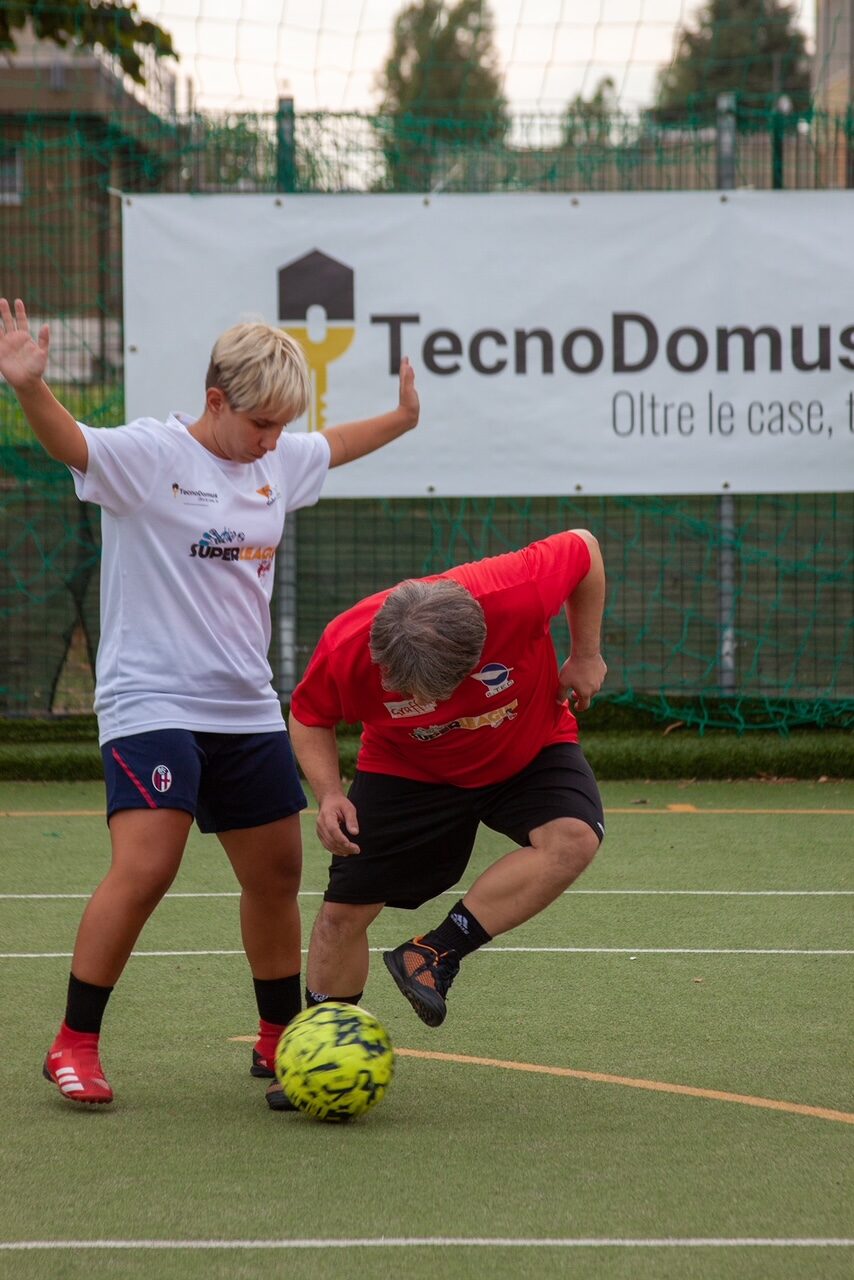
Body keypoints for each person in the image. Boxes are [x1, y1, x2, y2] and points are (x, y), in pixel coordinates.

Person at [0, 296, 419, 1110]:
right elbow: (71, 442)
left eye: (282, 426)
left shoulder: (275, 460)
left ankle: (277, 1038)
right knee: (147, 866)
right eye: (261, 423)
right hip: (150, 700)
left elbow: (333, 445)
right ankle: (73, 1042)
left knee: (277, 874)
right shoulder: (151, 454)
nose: (272, 440)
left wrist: (402, 420)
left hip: (245, 707)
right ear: (216, 400)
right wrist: (29, 387)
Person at [288, 529, 607, 1027]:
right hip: (406, 765)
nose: (414, 699)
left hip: (529, 743)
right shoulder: (346, 644)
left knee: (574, 837)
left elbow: (584, 547)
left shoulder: (517, 590)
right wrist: (329, 793)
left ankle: (434, 953)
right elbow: (309, 716)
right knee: (343, 914)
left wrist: (586, 654)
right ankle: (321, 1043)